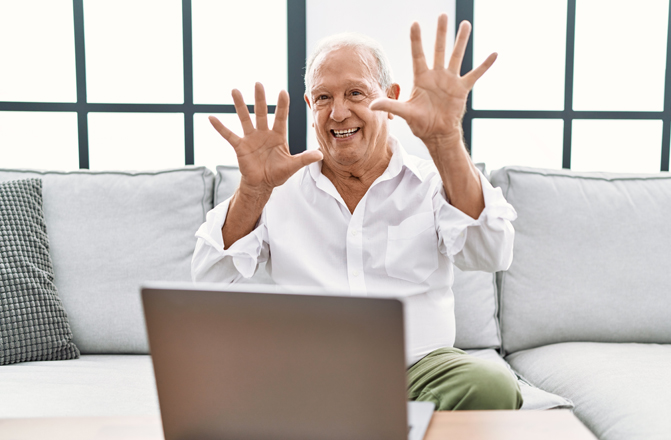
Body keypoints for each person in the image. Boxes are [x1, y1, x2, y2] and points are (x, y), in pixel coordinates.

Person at [192, 14, 522, 410]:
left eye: (355, 93)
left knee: (491, 384)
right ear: (310, 106)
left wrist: (446, 140)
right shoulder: (276, 190)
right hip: (307, 374)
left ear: (390, 97)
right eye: (324, 98)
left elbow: (493, 252)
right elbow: (207, 275)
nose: (338, 113)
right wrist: (253, 190)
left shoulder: (433, 181)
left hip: (419, 370)